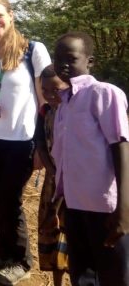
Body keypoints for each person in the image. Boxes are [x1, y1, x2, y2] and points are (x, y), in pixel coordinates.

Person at [0, 0, 51, 285]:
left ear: (11, 15)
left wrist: (42, 146)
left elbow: (45, 100)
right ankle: (3, 252)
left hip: (23, 140)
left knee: (12, 199)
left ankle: (21, 261)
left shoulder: (34, 51)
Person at [52, 31, 129, 286]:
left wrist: (123, 210)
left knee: (113, 275)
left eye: (71, 58)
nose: (63, 64)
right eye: (58, 58)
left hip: (105, 208)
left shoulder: (104, 94)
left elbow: (121, 148)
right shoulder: (64, 103)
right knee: (82, 274)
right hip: (75, 205)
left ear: (90, 62)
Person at [35, 65, 69, 286]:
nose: (49, 94)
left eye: (55, 89)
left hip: (76, 185)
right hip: (53, 180)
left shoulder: (76, 112)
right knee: (52, 230)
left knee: (72, 233)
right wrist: (51, 168)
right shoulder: (46, 112)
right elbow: (39, 141)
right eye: (44, 90)